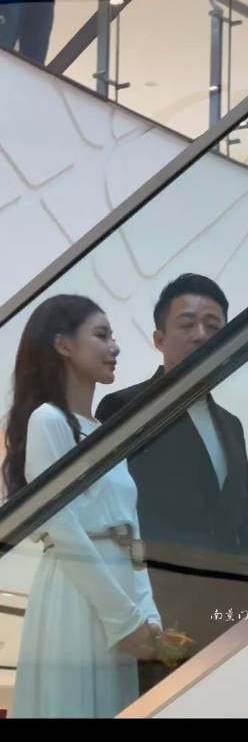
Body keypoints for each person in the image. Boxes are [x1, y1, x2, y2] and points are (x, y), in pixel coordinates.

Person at [96, 274, 248, 694]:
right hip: (157, 620)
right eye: (187, 323)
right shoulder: (125, 408)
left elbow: (244, 527)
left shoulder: (232, 426)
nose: (201, 334)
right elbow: (108, 518)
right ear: (159, 338)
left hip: (228, 619)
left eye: (213, 325)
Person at [1, 294, 163, 719]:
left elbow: (133, 534)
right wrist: (124, 619)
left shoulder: (105, 432)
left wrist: (147, 613)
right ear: (63, 345)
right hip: (77, 593)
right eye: (102, 335)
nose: (115, 347)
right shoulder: (48, 421)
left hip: (119, 599)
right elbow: (63, 527)